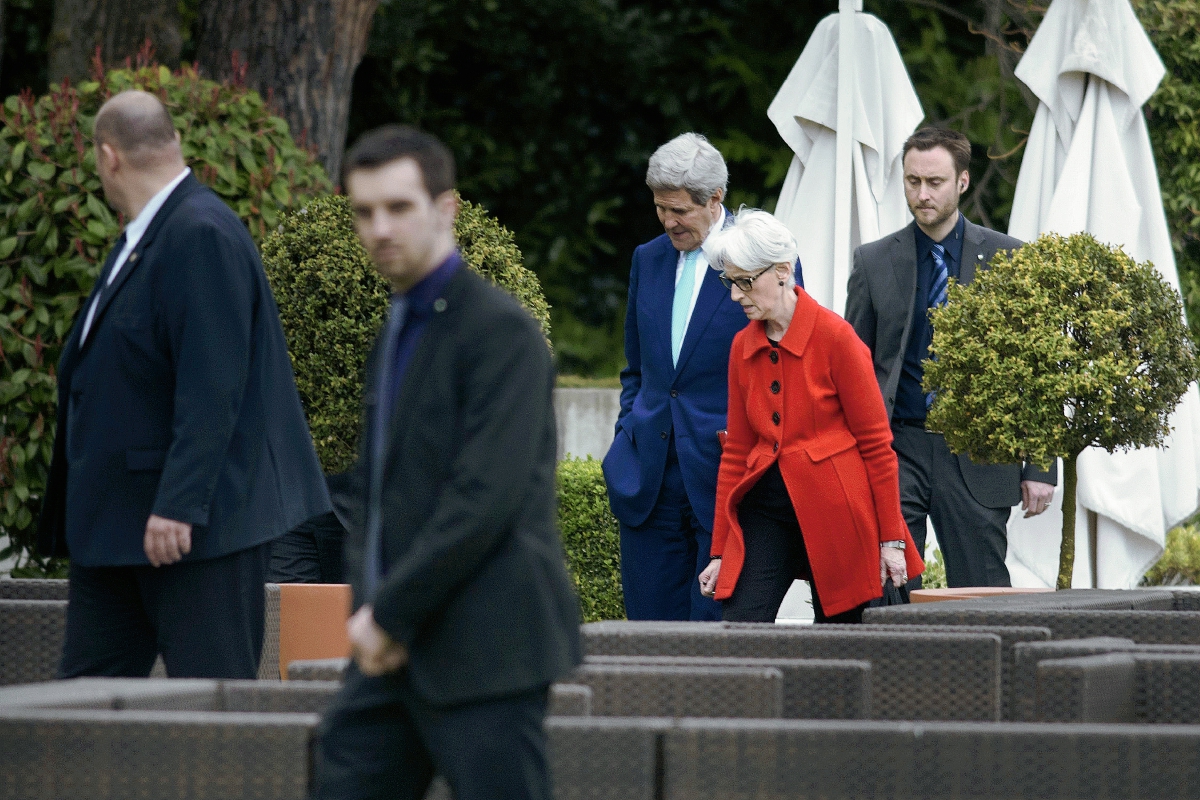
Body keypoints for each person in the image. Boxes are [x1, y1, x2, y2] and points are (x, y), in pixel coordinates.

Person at [313, 125, 582, 800]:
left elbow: (483, 499)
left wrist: (388, 615)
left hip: (484, 650)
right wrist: (369, 610)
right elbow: (376, 492)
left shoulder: (502, 334)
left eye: (398, 207)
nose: (379, 227)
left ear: (446, 208)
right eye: (364, 211)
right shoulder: (398, 328)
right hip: (389, 651)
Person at [36, 90, 330, 679]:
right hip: (121, 532)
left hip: (191, 534)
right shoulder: (147, 236)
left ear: (108, 157)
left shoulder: (200, 233)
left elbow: (214, 383)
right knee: (81, 708)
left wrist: (178, 505)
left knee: (216, 709)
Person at [844, 127, 1057, 589]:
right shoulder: (874, 262)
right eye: (912, 181)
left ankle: (986, 666)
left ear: (962, 181)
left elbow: (1039, 368)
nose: (922, 194)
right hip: (898, 447)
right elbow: (853, 367)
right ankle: (895, 664)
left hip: (979, 448)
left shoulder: (1010, 259)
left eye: (934, 182)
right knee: (889, 587)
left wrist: (1039, 464)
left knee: (981, 590)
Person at [603, 133, 803, 621]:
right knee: (649, 637)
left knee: (718, 645)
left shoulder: (762, 260)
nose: (668, 221)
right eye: (660, 208)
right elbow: (637, 369)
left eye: (679, 211)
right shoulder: (646, 259)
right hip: (648, 475)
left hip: (729, 480)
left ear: (716, 201)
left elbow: (791, 365)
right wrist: (629, 429)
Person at [697, 209, 923, 623]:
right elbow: (736, 454)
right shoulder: (740, 347)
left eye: (745, 281)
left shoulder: (837, 338)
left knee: (841, 644)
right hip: (766, 509)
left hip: (838, 510)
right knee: (739, 628)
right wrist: (720, 550)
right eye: (730, 282)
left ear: (783, 271)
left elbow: (877, 447)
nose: (735, 295)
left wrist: (890, 540)